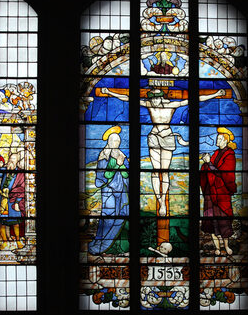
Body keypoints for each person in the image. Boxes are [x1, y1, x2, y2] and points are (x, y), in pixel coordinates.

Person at [101, 86, 224, 216]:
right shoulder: (148, 104)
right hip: (154, 136)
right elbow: (127, 98)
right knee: (155, 171)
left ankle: (163, 202)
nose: (153, 102)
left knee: (164, 172)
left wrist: (215, 93)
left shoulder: (172, 105)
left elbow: (194, 99)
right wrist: (109, 92)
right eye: (151, 99)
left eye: (155, 99)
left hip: (167, 137)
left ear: (161, 97)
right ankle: (160, 201)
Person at [88, 126, 130, 255]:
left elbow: (127, 175)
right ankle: (101, 245)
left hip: (121, 191)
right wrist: (116, 164)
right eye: (114, 142)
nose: (116, 144)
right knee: (108, 217)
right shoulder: (104, 155)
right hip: (108, 192)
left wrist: (121, 164)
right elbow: (103, 177)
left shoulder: (122, 155)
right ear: (109, 142)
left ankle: (115, 245)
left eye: (118, 142)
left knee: (121, 216)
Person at [200, 127, 238, 256]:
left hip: (221, 194)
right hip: (211, 193)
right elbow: (210, 170)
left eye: (220, 138)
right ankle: (217, 248)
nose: (217, 139)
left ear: (226, 140)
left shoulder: (230, 155)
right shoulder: (216, 153)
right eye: (217, 137)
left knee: (223, 221)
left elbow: (224, 174)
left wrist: (209, 163)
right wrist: (206, 164)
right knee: (211, 222)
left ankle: (226, 247)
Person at [0, 153, 26, 250]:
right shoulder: (5, 171)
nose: (11, 161)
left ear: (17, 162)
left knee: (15, 223)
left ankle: (18, 241)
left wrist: (17, 202)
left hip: (13, 201)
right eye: (10, 159)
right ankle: (4, 242)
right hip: (2, 200)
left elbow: (22, 188)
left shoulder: (20, 173)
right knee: (1, 222)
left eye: (13, 160)